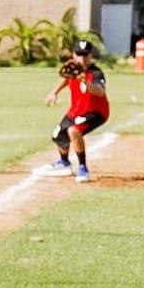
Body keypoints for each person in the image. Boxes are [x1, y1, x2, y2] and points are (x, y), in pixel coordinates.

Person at [35, 40, 110, 183]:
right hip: (76, 110)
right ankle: (64, 163)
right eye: (79, 54)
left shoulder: (95, 73)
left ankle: (83, 168)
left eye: (85, 55)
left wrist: (86, 82)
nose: (82, 58)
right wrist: (54, 92)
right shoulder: (73, 68)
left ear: (90, 55)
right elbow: (65, 79)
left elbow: (100, 91)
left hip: (96, 112)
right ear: (73, 54)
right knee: (58, 134)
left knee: (73, 130)